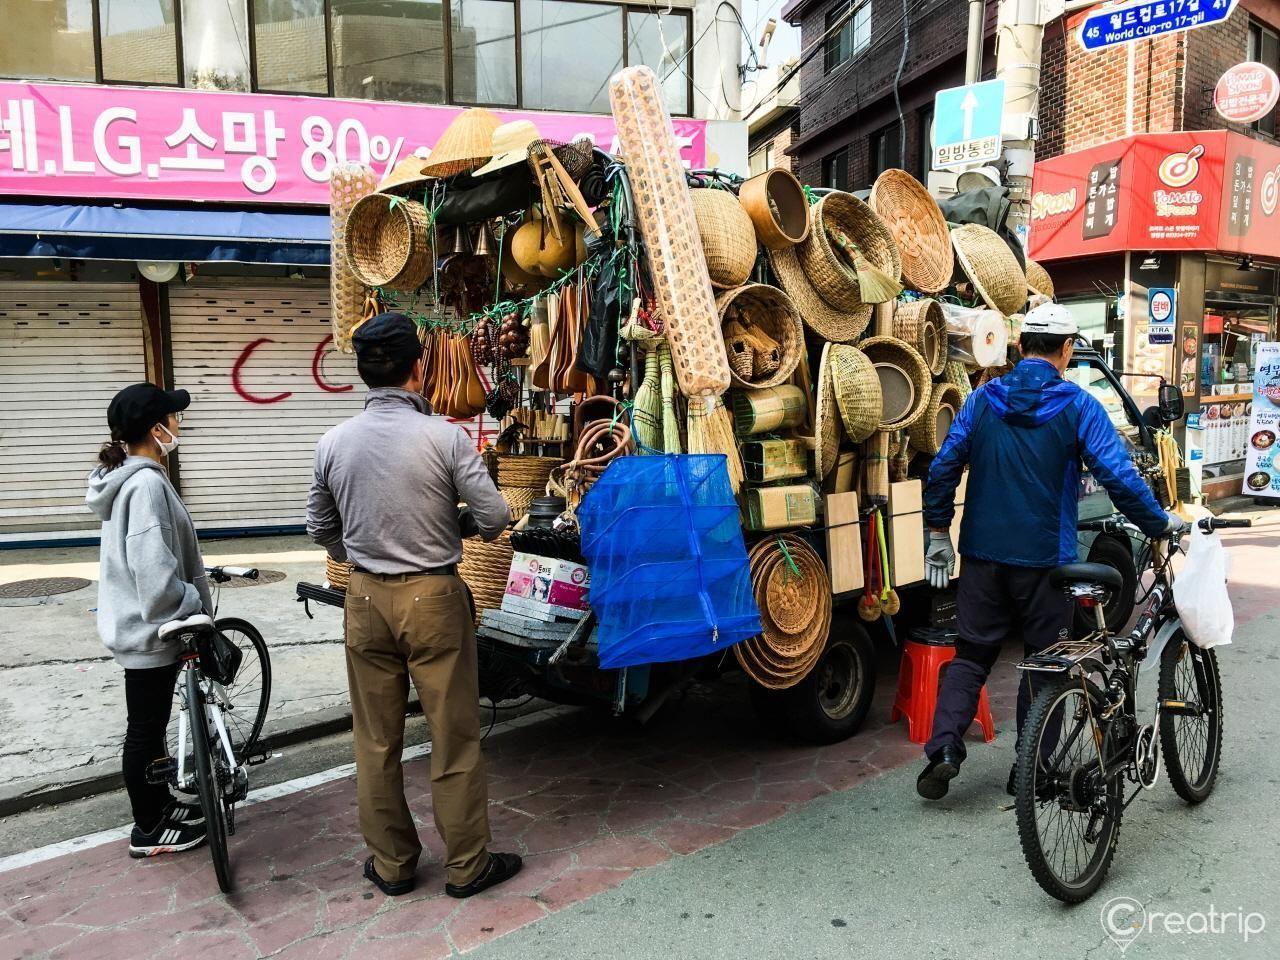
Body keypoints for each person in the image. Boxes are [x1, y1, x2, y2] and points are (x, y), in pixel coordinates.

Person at [915, 302, 1183, 800]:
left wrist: (936, 532)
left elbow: (944, 465)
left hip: (981, 557)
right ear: (1066, 351)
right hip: (1045, 563)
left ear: (1019, 348)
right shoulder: (1078, 406)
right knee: (1046, 661)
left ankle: (945, 750)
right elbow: (1118, 477)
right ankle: (1030, 768)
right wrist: (1159, 520)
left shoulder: (980, 401)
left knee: (972, 655)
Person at [307, 312, 517, 899]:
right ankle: (466, 866)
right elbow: (497, 517)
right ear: (418, 369)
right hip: (434, 597)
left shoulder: (333, 442)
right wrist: (458, 525)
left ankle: (394, 864)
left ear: (363, 372)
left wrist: (358, 549)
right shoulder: (446, 438)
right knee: (453, 737)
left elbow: (318, 526)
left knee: (376, 742)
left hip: (365, 596)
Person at [87, 383, 211, 857]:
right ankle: (149, 829)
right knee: (144, 727)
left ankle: (161, 806)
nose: (179, 425)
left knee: (152, 724)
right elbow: (154, 574)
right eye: (173, 418)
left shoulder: (126, 477)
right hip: (150, 629)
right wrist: (191, 605)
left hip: (140, 625)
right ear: (157, 429)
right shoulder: (144, 484)